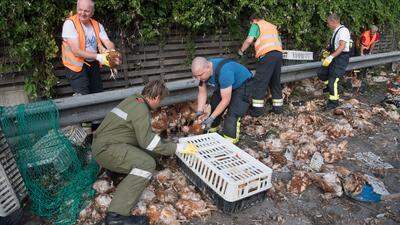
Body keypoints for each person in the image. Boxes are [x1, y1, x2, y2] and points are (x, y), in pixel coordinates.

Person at [92, 80, 197, 225]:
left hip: (104, 145)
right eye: (161, 100)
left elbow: (139, 136)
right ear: (156, 98)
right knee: (146, 164)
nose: (159, 105)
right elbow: (147, 141)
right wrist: (177, 148)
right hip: (107, 150)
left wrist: (164, 145)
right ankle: (116, 216)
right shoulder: (141, 109)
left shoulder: (133, 100)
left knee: (150, 154)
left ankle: (116, 172)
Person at [61, 0, 120, 95]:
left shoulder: (97, 25)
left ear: (92, 12)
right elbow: (76, 51)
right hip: (76, 67)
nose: (82, 13)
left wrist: (111, 52)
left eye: (86, 11)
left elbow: (108, 42)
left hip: (92, 65)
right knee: (83, 98)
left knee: (98, 95)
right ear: (76, 8)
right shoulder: (70, 24)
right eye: (80, 10)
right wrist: (99, 56)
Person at [191, 57, 252, 144]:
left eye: (200, 75)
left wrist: (212, 117)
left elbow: (225, 100)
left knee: (232, 115)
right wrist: (199, 111)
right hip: (226, 86)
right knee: (213, 109)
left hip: (243, 85)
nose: (198, 79)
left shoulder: (224, 72)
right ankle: (210, 133)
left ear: (208, 67)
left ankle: (231, 142)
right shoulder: (202, 73)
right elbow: (202, 93)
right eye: (195, 76)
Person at [238, 13, 283, 117]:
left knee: (260, 83)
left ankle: (257, 111)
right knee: (275, 82)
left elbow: (249, 40)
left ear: (253, 20)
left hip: (267, 56)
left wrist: (241, 51)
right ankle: (278, 109)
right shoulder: (271, 26)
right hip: (278, 54)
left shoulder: (256, 25)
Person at [318, 13, 351, 110]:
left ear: (334, 21)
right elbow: (334, 46)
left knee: (333, 80)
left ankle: (333, 102)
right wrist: (327, 51)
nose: (327, 25)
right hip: (335, 57)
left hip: (341, 58)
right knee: (322, 73)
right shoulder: (336, 31)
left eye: (328, 23)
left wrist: (330, 57)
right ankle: (331, 89)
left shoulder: (343, 31)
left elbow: (342, 46)